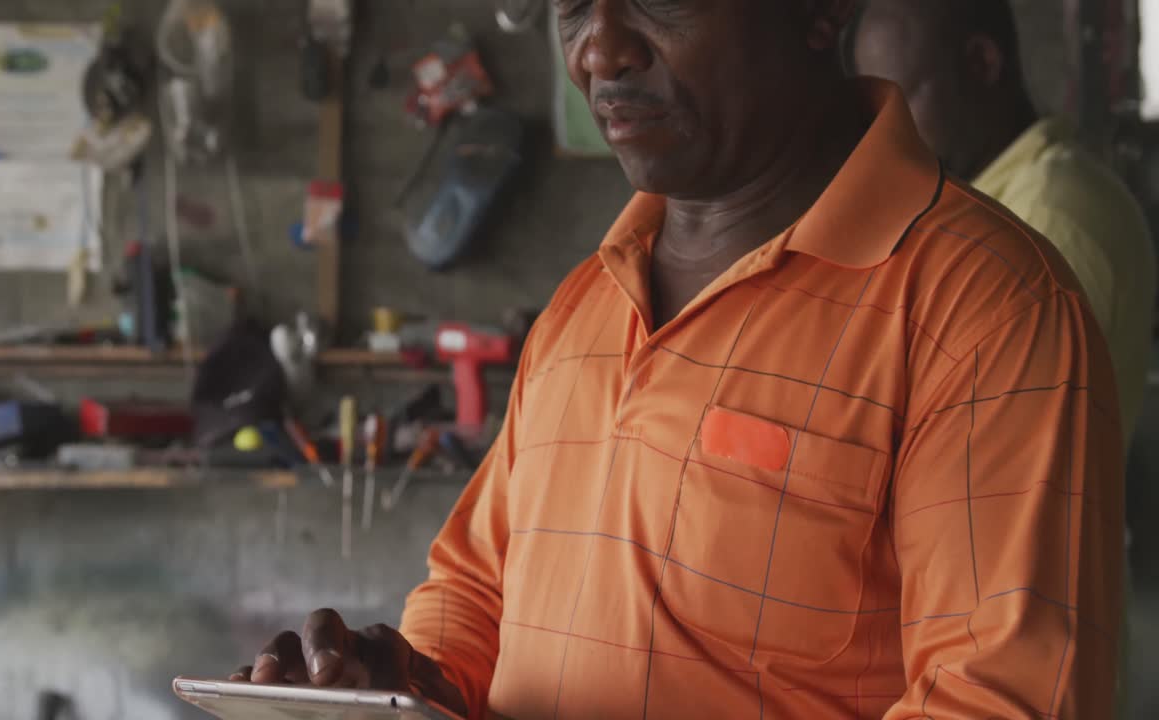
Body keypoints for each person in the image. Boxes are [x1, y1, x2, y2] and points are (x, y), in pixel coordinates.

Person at [234, 3, 1124, 717]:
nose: (602, 50)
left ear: (819, 13)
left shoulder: (984, 310)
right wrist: (399, 686)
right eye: (575, 5)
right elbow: (473, 596)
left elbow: (998, 699)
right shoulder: (582, 306)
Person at [852, 0, 1156, 441]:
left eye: (901, 104)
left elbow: (992, 438)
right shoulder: (989, 204)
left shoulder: (1049, 214)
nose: (885, 136)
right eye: (874, 114)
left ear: (982, 62)